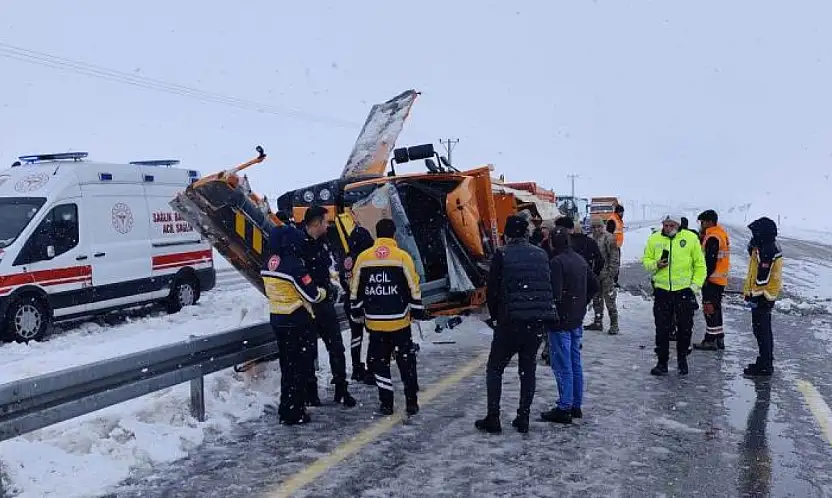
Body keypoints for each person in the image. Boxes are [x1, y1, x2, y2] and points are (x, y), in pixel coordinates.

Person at [476, 215, 557, 434]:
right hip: (535, 323)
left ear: (508, 234)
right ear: (526, 234)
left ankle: (493, 418)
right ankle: (523, 417)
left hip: (510, 322)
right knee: (527, 369)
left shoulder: (502, 255)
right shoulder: (541, 255)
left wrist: (495, 317)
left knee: (495, 368)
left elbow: (492, 290)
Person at [350, 219, 425, 415]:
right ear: (393, 235)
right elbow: (413, 285)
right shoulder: (402, 257)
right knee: (406, 361)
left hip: (375, 324)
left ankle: (386, 403)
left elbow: (355, 287)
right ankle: (411, 401)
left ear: (376, 234)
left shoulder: (364, 258)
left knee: (379, 363)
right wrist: (417, 309)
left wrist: (356, 310)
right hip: (400, 321)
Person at [261, 225, 328, 425]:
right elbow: (312, 295)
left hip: (278, 320)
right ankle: (296, 411)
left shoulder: (268, 263)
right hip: (297, 321)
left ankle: (286, 408)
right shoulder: (294, 266)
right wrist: (324, 291)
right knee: (300, 367)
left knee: (287, 367)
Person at [541, 227, 599, 424]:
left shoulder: (556, 263)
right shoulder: (579, 260)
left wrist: (550, 314)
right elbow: (595, 285)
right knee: (575, 362)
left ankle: (564, 406)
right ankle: (575, 404)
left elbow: (554, 294)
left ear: (553, 243)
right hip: (576, 318)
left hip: (560, 322)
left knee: (562, 364)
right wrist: (581, 302)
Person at [301, 206, 356, 408]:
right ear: (316, 223)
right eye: (325, 221)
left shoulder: (323, 242)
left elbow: (328, 268)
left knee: (336, 347)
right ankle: (311, 394)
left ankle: (341, 389)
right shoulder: (299, 245)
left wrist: (331, 289)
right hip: (307, 306)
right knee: (308, 351)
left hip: (325, 305)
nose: (327, 225)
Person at [643, 215, 706, 376]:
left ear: (678, 225)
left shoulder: (690, 239)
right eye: (665, 225)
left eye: (671, 225)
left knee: (685, 328)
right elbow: (646, 261)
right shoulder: (654, 239)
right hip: (662, 291)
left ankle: (682, 359)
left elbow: (700, 265)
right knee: (662, 329)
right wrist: (656, 264)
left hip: (684, 291)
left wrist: (694, 287)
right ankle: (662, 362)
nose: (668, 228)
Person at [329, 216, 376, 384]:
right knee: (374, 335)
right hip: (366, 301)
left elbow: (342, 279)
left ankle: (357, 368)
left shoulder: (346, 260)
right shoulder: (366, 259)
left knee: (356, 336)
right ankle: (371, 369)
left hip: (351, 301)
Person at [743, 217, 783, 377]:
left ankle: (765, 364)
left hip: (763, 296)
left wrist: (754, 296)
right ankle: (765, 361)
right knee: (763, 330)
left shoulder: (767, 248)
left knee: (761, 331)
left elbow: (762, 277)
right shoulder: (765, 245)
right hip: (766, 295)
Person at [693, 210, 730, 351]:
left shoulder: (713, 237)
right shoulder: (720, 233)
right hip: (719, 279)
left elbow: (710, 261)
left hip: (712, 279)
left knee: (709, 309)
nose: (701, 225)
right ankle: (719, 336)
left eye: (702, 222)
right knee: (716, 308)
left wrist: (704, 277)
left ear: (709, 222)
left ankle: (710, 340)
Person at [587, 218, 621, 334]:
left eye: (599, 227)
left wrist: (612, 273)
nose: (596, 229)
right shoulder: (590, 239)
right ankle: (598, 321)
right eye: (594, 227)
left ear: (603, 227)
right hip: (595, 275)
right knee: (597, 299)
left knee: (610, 300)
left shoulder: (609, 238)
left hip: (607, 274)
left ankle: (614, 324)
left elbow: (614, 257)